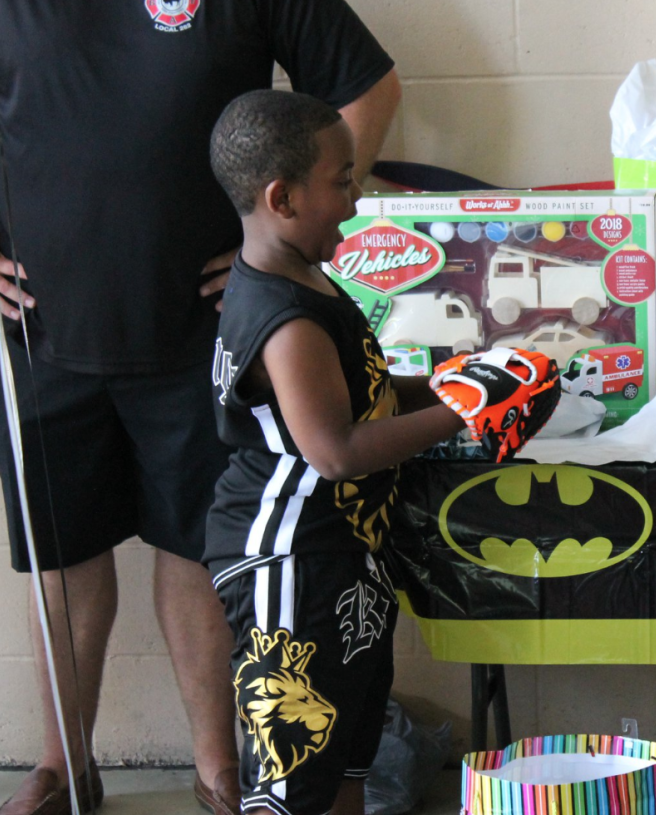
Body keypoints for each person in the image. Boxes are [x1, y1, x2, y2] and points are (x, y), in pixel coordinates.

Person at [0, 4, 400, 815]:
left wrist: (279, 239)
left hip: (201, 331)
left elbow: (368, 86)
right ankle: (64, 764)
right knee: (60, 560)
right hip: (39, 327)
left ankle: (217, 769)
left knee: (199, 550)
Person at [203, 89, 470, 815]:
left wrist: (463, 380)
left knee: (346, 765)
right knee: (289, 792)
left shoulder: (306, 277)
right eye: (343, 180)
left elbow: (367, 393)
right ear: (282, 197)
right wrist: (463, 413)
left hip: (342, 554)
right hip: (290, 564)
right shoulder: (284, 320)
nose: (355, 201)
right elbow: (339, 450)